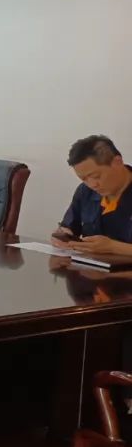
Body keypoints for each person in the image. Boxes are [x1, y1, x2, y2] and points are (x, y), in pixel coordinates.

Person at [52, 135, 132, 419]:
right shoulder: (85, 193)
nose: (92, 184)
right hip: (96, 286)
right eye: (84, 179)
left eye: (96, 176)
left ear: (117, 162)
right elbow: (68, 227)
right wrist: (62, 236)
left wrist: (115, 248)